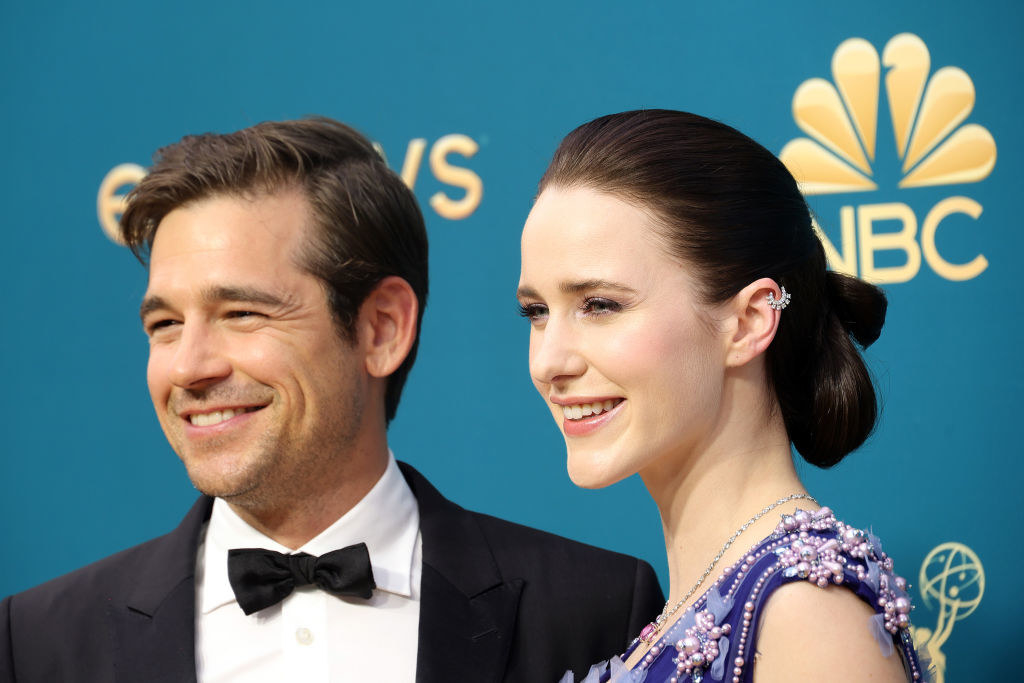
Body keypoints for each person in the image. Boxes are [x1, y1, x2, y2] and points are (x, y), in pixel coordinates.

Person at [0, 116, 664, 683]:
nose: (189, 366)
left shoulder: (592, 611)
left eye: (241, 313)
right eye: (165, 324)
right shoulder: (39, 643)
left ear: (381, 330)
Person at [517, 110, 926, 682]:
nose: (548, 362)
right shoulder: (717, 601)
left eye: (600, 305)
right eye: (536, 312)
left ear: (749, 321)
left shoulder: (807, 616)